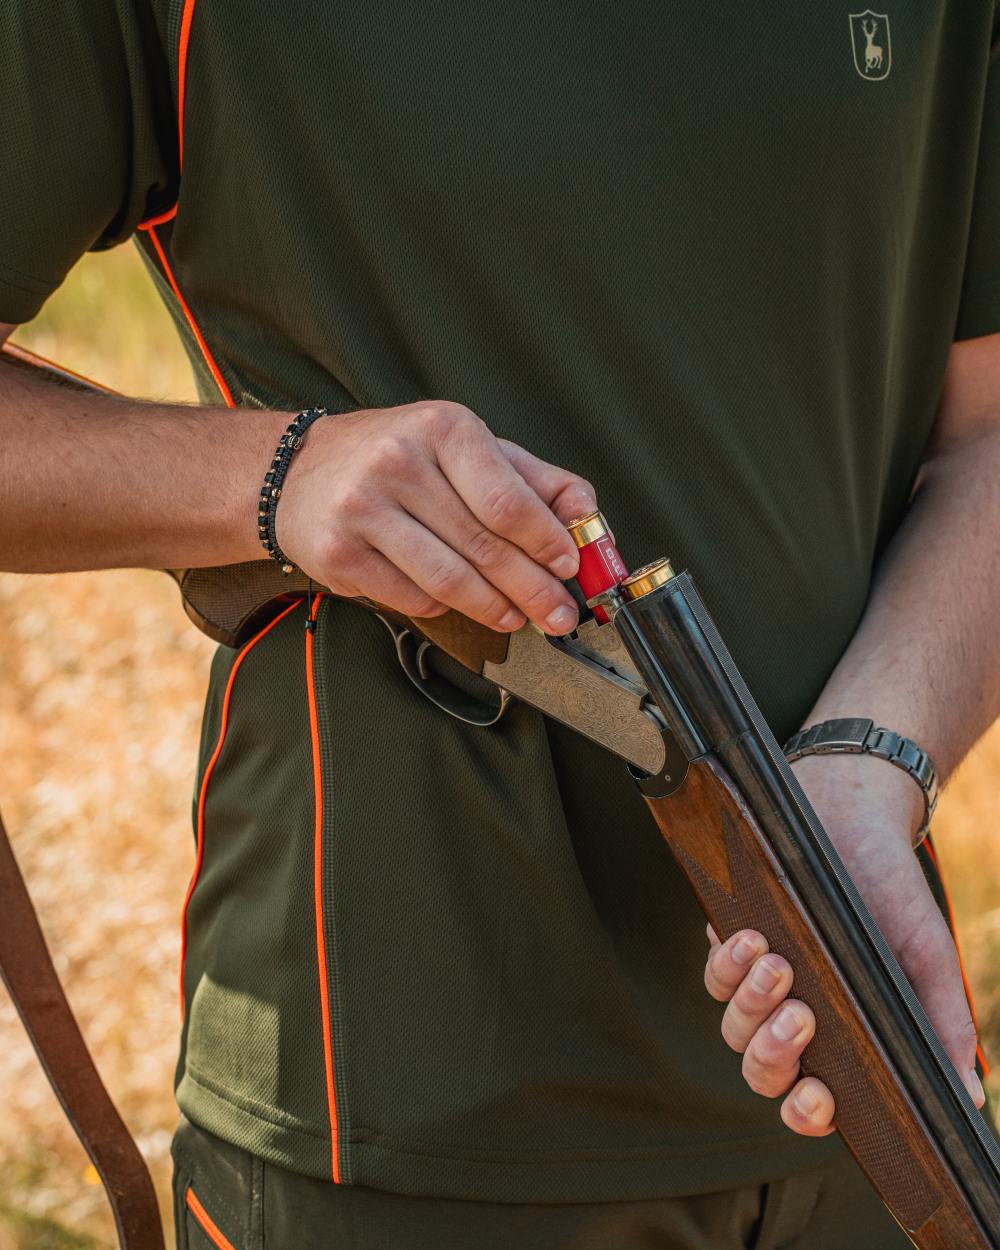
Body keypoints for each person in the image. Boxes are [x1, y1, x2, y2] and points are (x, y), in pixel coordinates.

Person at [2, 3, 998, 1247]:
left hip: (857, 1064)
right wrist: (280, 474)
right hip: (399, 1105)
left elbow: (985, 426)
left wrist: (869, 761)